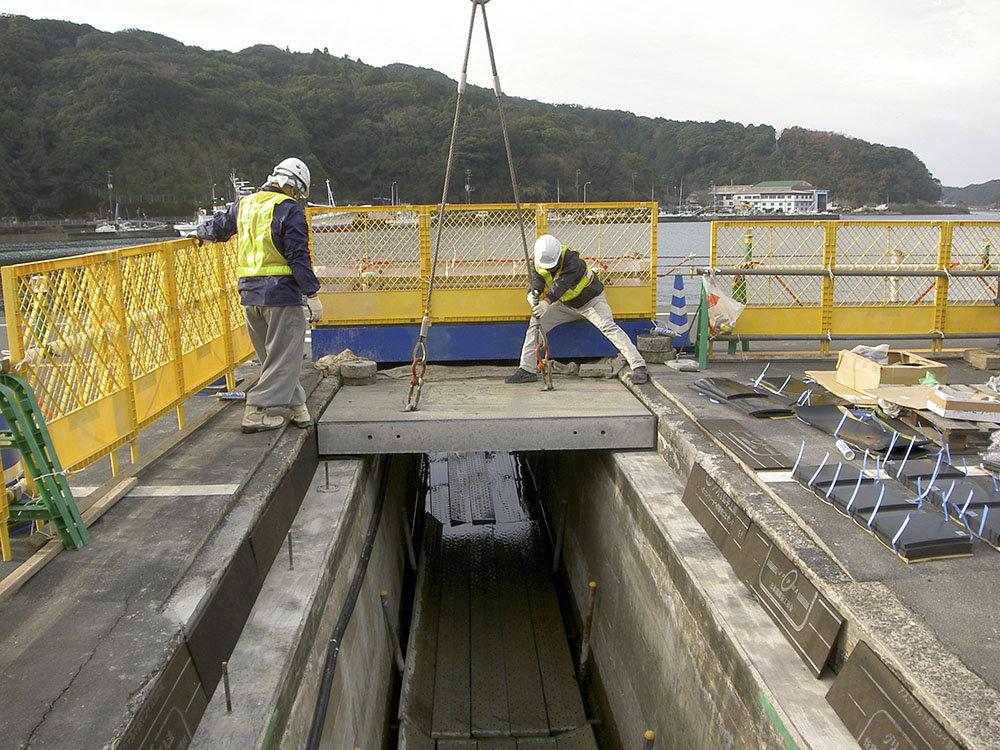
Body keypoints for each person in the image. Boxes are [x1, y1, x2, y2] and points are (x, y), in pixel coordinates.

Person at [196, 157, 324, 433]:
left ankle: (297, 407)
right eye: (298, 192)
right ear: (292, 186)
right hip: (281, 296)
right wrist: (312, 293)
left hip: (249, 295)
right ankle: (255, 411)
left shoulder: (245, 204)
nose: (297, 197)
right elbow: (298, 256)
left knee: (274, 356)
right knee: (286, 356)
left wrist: (199, 233)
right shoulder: (289, 210)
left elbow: (217, 229)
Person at [506, 234, 648, 385]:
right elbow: (537, 280)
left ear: (558, 255)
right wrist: (532, 292)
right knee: (535, 325)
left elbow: (562, 283)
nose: (550, 268)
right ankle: (527, 370)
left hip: (591, 301)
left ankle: (638, 366)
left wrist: (546, 302)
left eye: (552, 265)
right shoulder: (538, 261)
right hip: (565, 305)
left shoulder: (572, 260)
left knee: (608, 326)